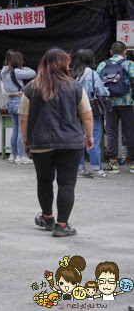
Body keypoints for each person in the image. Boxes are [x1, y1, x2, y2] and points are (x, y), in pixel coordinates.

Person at [20, 48, 93, 237]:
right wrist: (89, 136)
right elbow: (87, 116)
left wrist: (26, 142)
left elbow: (23, 119)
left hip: (41, 143)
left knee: (44, 181)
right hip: (71, 143)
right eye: (67, 63)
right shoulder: (75, 87)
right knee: (66, 184)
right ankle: (62, 226)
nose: (69, 66)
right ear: (63, 65)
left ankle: (47, 217)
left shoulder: (30, 88)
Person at [95, 41, 134, 173]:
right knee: (130, 131)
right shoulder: (129, 64)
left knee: (111, 132)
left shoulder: (103, 64)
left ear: (111, 52)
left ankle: (113, 163)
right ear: (125, 52)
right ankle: (133, 163)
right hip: (127, 102)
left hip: (109, 103)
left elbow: (98, 82)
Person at [71, 49, 110, 179]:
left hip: (74, 111)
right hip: (90, 111)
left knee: (79, 140)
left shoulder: (72, 73)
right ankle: (97, 169)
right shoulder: (92, 74)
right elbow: (102, 91)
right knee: (93, 139)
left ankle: (80, 168)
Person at [1, 49, 36, 164]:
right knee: (22, 130)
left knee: (15, 130)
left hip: (10, 102)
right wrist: (23, 67)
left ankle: (13, 155)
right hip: (19, 101)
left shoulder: (3, 71)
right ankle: (21, 156)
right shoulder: (17, 72)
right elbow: (33, 73)